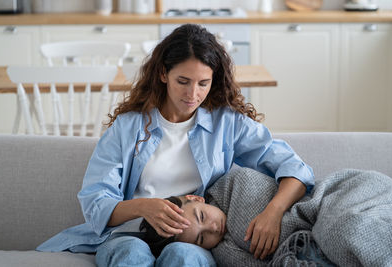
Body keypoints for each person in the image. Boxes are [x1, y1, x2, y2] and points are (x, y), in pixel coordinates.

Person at [36, 23, 314, 267]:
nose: (193, 94)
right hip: (128, 233)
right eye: (183, 81)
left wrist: (273, 213)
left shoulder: (227, 124)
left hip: (193, 240)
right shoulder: (128, 127)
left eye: (203, 83)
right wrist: (145, 207)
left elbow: (295, 168)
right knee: (131, 253)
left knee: (184, 257)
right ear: (162, 74)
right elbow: (95, 202)